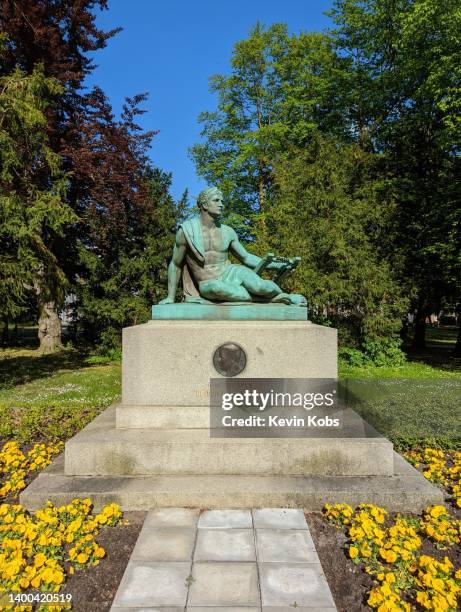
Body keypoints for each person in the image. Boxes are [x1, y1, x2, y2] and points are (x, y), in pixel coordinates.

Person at [159, 187, 306, 305]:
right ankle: (269, 301)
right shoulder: (186, 231)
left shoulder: (228, 232)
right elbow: (176, 264)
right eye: (216, 200)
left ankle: (285, 297)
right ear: (204, 204)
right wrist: (170, 298)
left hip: (230, 272)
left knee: (260, 287)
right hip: (208, 282)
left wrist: (276, 265)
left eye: (222, 201)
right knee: (219, 289)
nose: (221, 204)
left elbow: (246, 257)